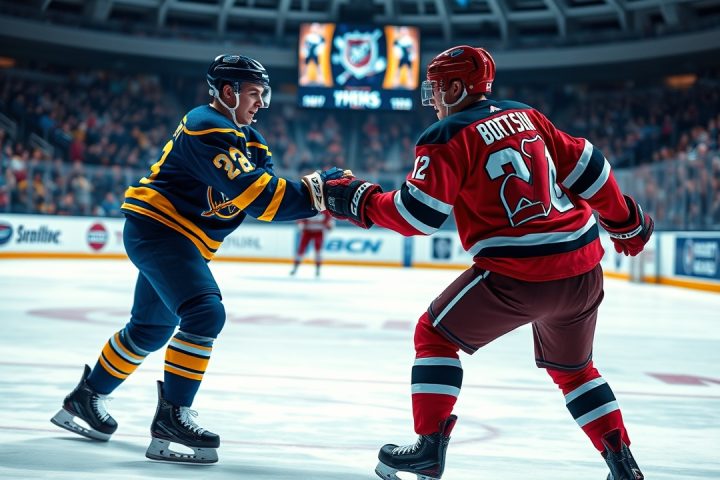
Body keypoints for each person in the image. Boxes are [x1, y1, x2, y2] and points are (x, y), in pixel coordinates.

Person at [322, 45, 652, 480]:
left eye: (437, 89)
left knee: (434, 335)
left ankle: (428, 448)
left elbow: (418, 215)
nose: (433, 100)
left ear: (457, 88)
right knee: (575, 372)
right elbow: (590, 167)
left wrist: (358, 200)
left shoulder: (446, 135)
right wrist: (624, 220)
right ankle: (624, 465)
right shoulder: (528, 115)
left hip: (519, 274)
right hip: (583, 270)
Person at [51, 53, 345, 464]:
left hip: (177, 240)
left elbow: (268, 193)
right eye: (254, 94)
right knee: (205, 313)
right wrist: (322, 191)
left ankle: (85, 398)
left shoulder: (251, 141)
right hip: (161, 230)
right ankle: (172, 419)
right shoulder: (207, 125)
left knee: (150, 329)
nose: (261, 103)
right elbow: (262, 199)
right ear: (229, 92)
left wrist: (315, 196)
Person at [290, 209, 334, 277]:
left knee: (318, 251)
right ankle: (295, 268)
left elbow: (329, 221)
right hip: (307, 231)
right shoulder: (307, 208)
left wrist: (328, 225)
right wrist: (301, 224)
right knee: (301, 249)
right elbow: (300, 219)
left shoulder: (325, 211)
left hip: (318, 232)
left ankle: (318, 269)